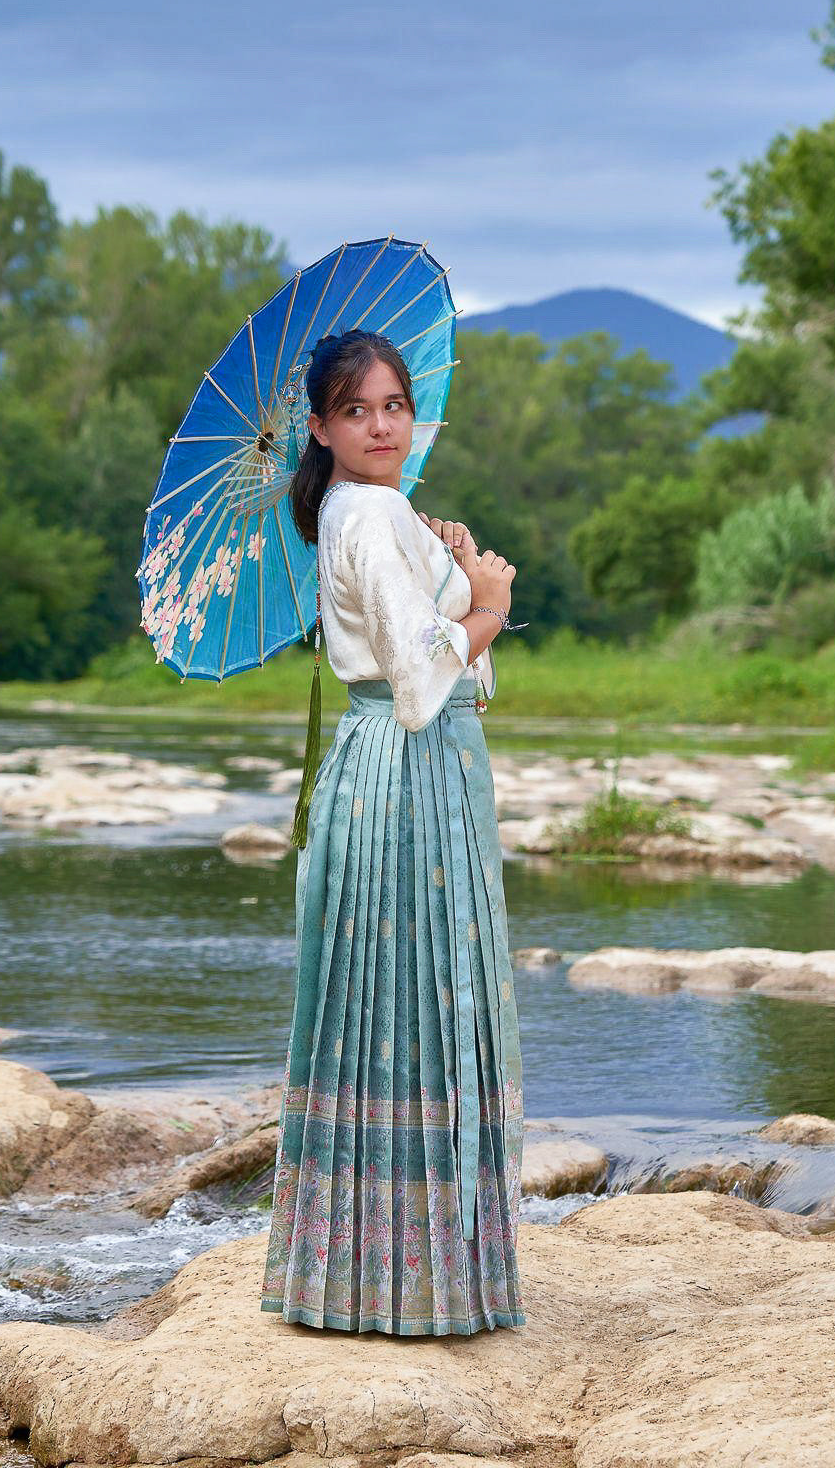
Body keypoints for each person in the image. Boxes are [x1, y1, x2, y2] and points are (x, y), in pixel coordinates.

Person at [258, 327, 526, 1336]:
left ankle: (367, 1275)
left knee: (389, 1015)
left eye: (393, 406)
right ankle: (413, 1285)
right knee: (421, 1006)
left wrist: (448, 561)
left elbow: (424, 650)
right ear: (319, 427)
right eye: (357, 409)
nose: (381, 425)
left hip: (392, 776)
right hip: (408, 778)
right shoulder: (366, 514)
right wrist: (490, 605)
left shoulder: (366, 512)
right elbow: (421, 684)